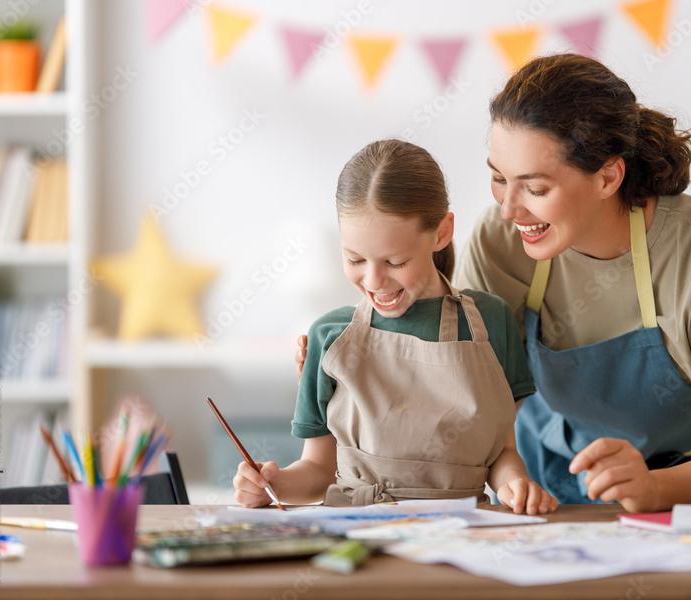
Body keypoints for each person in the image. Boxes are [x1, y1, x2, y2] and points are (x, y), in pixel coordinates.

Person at [452, 53, 691, 512]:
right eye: (499, 179)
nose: (509, 209)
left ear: (608, 176)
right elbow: (473, 401)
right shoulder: (499, 244)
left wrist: (655, 490)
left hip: (683, 495)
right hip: (539, 492)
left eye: (535, 189)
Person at [239, 139, 557, 515]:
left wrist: (515, 484)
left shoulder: (491, 323)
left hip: (463, 532)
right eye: (355, 258)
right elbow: (319, 470)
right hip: (358, 531)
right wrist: (271, 485)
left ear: (441, 233)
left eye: (395, 261)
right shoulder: (328, 336)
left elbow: (502, 454)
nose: (374, 281)